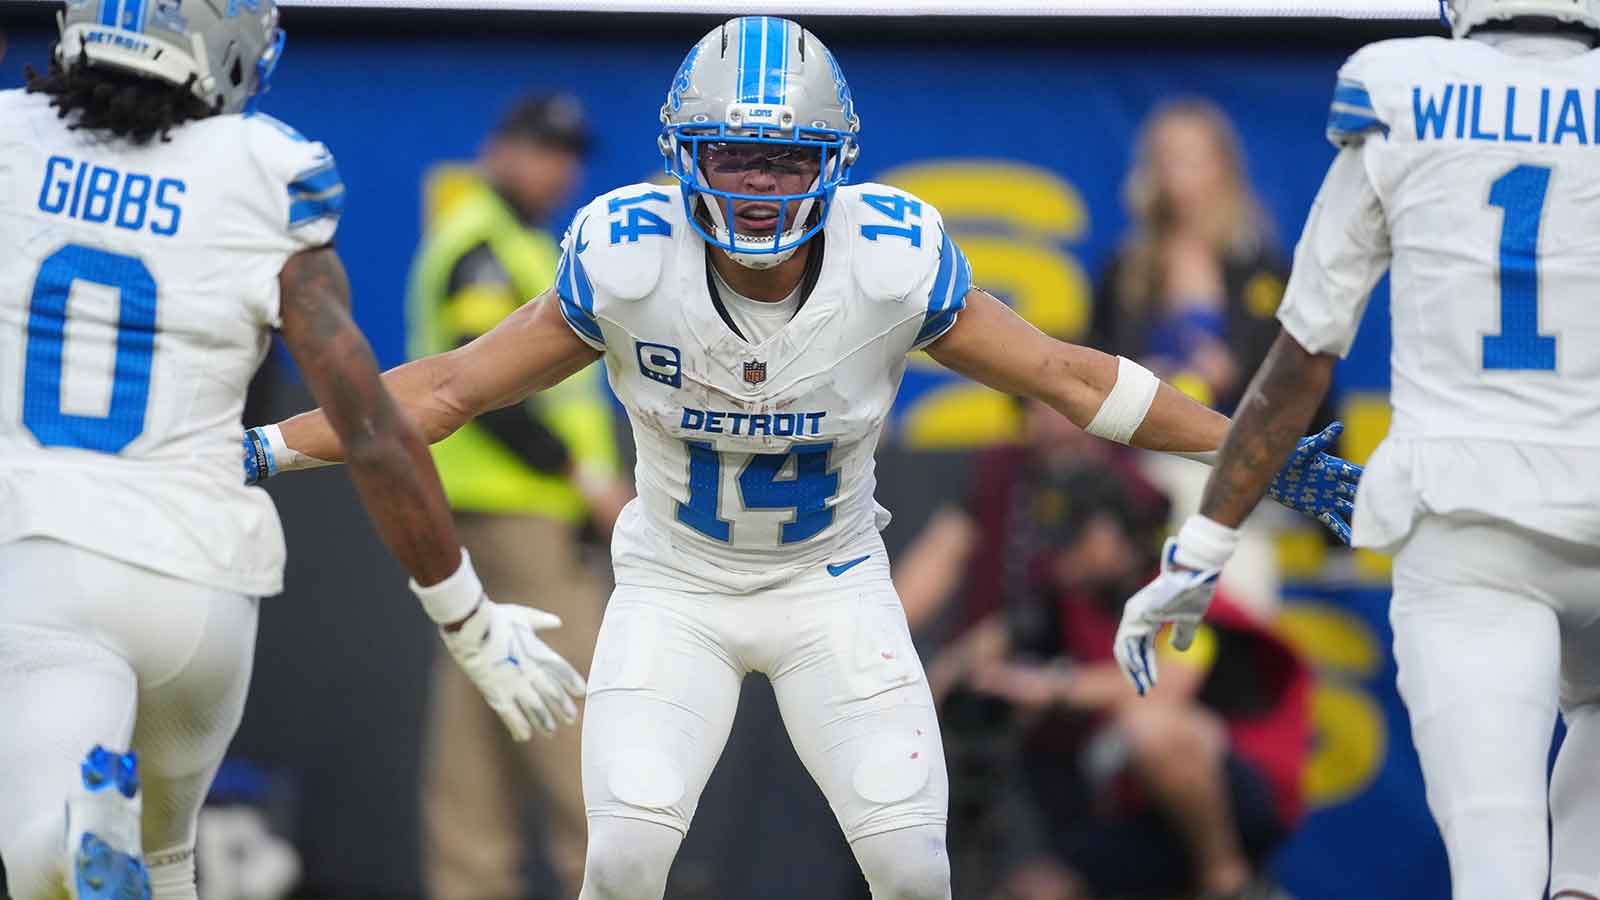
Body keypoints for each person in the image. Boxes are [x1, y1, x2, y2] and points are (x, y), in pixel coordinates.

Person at [245, 17, 1359, 900]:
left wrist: (1251, 454)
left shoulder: (891, 261)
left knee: (914, 868)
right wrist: (256, 448)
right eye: (737, 156)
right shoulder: (628, 261)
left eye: (787, 162)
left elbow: (1070, 378)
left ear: (833, 164)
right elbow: (440, 391)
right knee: (624, 859)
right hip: (674, 589)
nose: (758, 185)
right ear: (685, 155)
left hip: (832, 589)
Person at [0, 4, 584, 900]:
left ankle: (65, 839)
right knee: (168, 859)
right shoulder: (269, 171)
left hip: (41, 546)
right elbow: (374, 425)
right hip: (199, 574)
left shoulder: (11, 134)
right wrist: (469, 619)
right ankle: (95, 844)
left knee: (41, 840)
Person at [1113, 2, 1600, 899]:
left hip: (1468, 526)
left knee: (1497, 863)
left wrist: (1203, 545)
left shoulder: (1406, 90)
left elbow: (1301, 359)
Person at [900, 407, 1307, 900]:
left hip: (1234, 794)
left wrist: (1046, 687)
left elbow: (1164, 687)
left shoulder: (1180, 591)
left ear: (1111, 535)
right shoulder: (1062, 601)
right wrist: (928, 695)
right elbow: (986, 644)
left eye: (1072, 536)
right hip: (1138, 810)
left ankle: (1231, 881)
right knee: (1035, 889)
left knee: (1151, 727)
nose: (1057, 552)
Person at [407, 92, 627, 900]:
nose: (560, 168)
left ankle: (470, 885)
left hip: (486, 522)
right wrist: (586, 478)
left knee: (476, 724)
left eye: (569, 153)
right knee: (577, 713)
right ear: (499, 148)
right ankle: (606, 882)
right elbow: (480, 389)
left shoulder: (513, 244)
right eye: (543, 148)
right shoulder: (485, 248)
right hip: (521, 520)